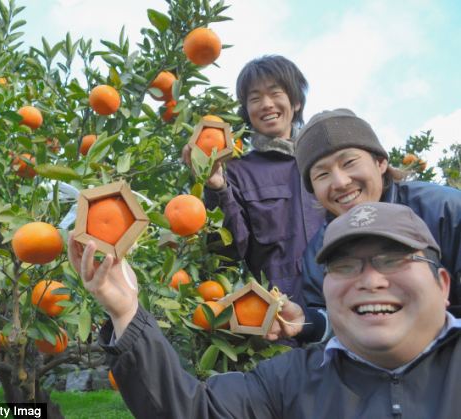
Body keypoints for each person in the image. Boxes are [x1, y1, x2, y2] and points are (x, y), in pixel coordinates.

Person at [68, 202, 461, 418]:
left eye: (392, 259)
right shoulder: (289, 382)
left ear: (442, 284)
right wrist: (125, 312)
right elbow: (193, 412)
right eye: (345, 266)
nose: (370, 280)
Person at [293, 108, 461, 342]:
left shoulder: (446, 210)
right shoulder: (317, 252)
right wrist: (306, 322)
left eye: (349, 162)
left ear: (380, 162)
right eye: (322, 175)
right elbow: (332, 320)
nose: (340, 182)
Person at [182, 55, 324, 307]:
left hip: (345, 303)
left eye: (275, 93)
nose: (267, 104)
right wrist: (217, 187)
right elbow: (228, 251)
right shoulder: (236, 172)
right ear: (247, 111)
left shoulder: (324, 160)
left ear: (296, 101)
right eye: (255, 98)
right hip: (280, 314)